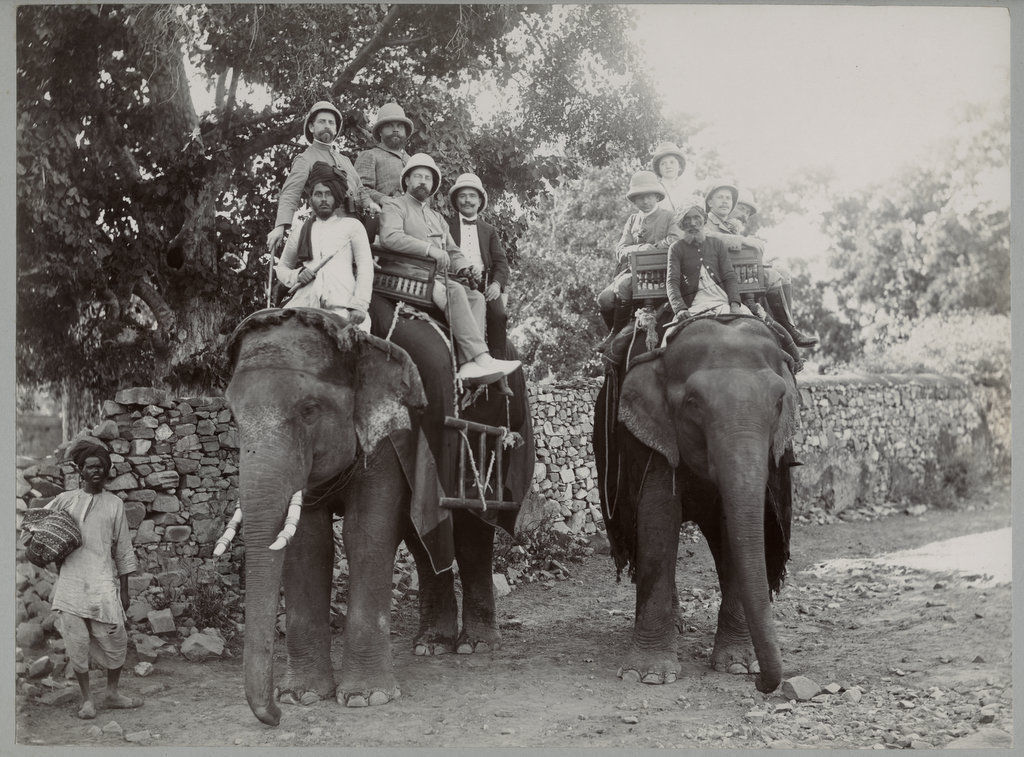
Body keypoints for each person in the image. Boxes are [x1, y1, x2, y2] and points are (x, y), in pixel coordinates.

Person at [379, 153, 521, 384]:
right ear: (407, 180)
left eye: (428, 178)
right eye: (418, 176)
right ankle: (480, 357)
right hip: (409, 272)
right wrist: (429, 249)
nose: (423, 182)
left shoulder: (436, 217)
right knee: (454, 292)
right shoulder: (395, 206)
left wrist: (464, 268)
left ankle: (468, 363)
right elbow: (390, 237)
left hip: (436, 277)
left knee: (476, 296)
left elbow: (453, 251)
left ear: (433, 185)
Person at [46, 441, 140, 720]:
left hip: (102, 583)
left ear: (107, 471)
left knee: (116, 639)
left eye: (101, 467)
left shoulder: (115, 505)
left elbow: (123, 549)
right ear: (80, 471)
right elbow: (38, 525)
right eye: (90, 467)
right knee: (76, 644)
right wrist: (46, 548)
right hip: (71, 584)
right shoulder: (65, 500)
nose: (96, 471)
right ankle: (87, 700)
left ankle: (112, 692)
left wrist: (124, 589)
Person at [666, 201, 803, 368]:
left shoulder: (716, 244)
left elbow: (729, 276)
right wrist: (680, 308)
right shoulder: (676, 248)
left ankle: (791, 359)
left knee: (761, 328)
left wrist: (735, 304)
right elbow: (672, 281)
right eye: (687, 220)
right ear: (681, 224)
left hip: (722, 301)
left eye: (697, 218)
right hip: (694, 306)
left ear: (704, 220)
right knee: (669, 340)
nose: (693, 223)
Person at [701, 179, 818, 348]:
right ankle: (788, 329)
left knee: (779, 271)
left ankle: (788, 327)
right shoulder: (705, 221)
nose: (725, 202)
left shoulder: (730, 225)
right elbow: (708, 237)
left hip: (737, 272)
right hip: (714, 276)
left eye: (728, 199)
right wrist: (743, 240)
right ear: (710, 202)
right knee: (772, 276)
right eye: (720, 197)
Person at [265, 101, 382, 254]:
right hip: (327, 226)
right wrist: (280, 227)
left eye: (331, 123)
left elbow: (360, 189)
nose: (327, 125)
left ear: (335, 129)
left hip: (356, 226)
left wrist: (369, 204)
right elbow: (290, 193)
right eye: (322, 121)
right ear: (312, 127)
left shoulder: (345, 160)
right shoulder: (305, 159)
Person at [274, 162, 374, 331]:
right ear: (311, 198)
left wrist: (359, 305)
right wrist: (297, 274)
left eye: (328, 194)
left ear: (336, 197)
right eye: (318, 194)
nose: (323, 199)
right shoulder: (300, 230)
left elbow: (365, 267)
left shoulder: (352, 226)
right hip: (303, 306)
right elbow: (282, 268)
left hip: (343, 307)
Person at [596, 170, 679, 346]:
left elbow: (675, 240)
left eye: (649, 196)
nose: (645, 201)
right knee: (604, 299)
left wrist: (653, 249)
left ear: (657, 196)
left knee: (625, 285)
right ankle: (617, 331)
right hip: (633, 271)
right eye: (640, 198)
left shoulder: (669, 216)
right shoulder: (633, 220)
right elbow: (620, 250)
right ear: (634, 200)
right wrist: (641, 248)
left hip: (662, 272)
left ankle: (618, 334)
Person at [446, 173, 510, 356]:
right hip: (455, 281)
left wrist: (497, 285)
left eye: (472, 196)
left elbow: (501, 263)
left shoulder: (489, 230)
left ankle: (498, 375)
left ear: (480, 200)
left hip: (484, 285)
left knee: (498, 316)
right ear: (456, 200)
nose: (467, 200)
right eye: (462, 195)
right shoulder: (446, 226)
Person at [355, 102, 414, 206]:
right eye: (389, 126)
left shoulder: (412, 161)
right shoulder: (370, 155)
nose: (395, 130)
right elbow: (359, 189)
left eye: (400, 126)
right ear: (380, 132)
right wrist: (383, 199)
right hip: (383, 217)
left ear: (405, 132)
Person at [651, 141, 695, 213]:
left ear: (679, 166)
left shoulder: (686, 189)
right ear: (659, 169)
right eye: (663, 163)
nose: (668, 166)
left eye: (672, 162)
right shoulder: (655, 189)